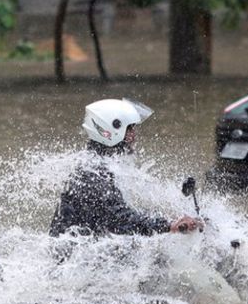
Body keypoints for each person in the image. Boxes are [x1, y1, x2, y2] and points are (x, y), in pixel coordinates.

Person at [50, 98, 203, 238]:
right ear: (110, 132)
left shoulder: (97, 166)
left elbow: (122, 213)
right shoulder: (92, 176)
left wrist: (171, 217)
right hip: (77, 261)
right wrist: (169, 225)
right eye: (129, 129)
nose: (134, 136)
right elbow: (121, 220)